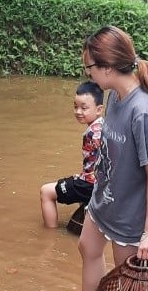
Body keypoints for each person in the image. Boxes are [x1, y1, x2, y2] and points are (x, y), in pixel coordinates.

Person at [78, 26, 148, 291]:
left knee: (127, 282)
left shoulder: (143, 110)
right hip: (105, 199)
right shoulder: (113, 98)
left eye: (89, 67)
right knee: (88, 247)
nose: (88, 74)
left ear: (107, 68)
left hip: (132, 215)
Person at [40, 81, 104, 228]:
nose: (78, 111)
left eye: (84, 108)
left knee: (46, 192)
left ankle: (49, 238)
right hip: (100, 183)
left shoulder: (94, 133)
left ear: (99, 109)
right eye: (75, 106)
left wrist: (85, 178)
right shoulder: (102, 126)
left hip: (91, 185)